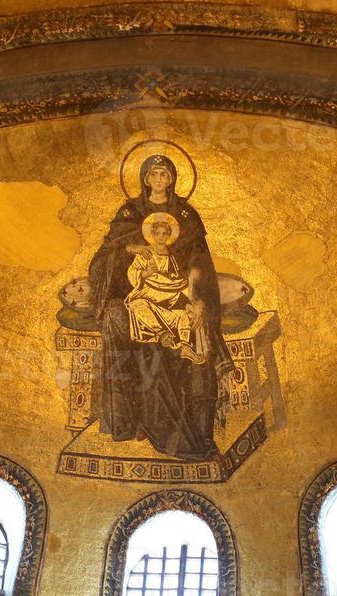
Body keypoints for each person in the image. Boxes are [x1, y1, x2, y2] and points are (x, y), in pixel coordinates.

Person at [87, 154, 234, 460]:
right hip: (139, 297)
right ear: (144, 178)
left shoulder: (186, 215)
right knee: (117, 316)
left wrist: (198, 298)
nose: (158, 180)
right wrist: (128, 248)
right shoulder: (129, 213)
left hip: (179, 296)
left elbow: (200, 264)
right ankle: (125, 419)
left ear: (172, 179)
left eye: (164, 175)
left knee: (195, 332)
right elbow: (104, 259)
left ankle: (195, 433)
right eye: (153, 174)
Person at [124, 212, 205, 364]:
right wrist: (145, 273)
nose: (161, 237)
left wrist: (188, 301)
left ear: (169, 235)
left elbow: (179, 280)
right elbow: (132, 271)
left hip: (170, 294)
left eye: (164, 233)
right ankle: (162, 334)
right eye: (157, 233)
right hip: (149, 293)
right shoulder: (145, 253)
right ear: (152, 235)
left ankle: (186, 347)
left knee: (182, 315)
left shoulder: (173, 256)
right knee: (136, 305)